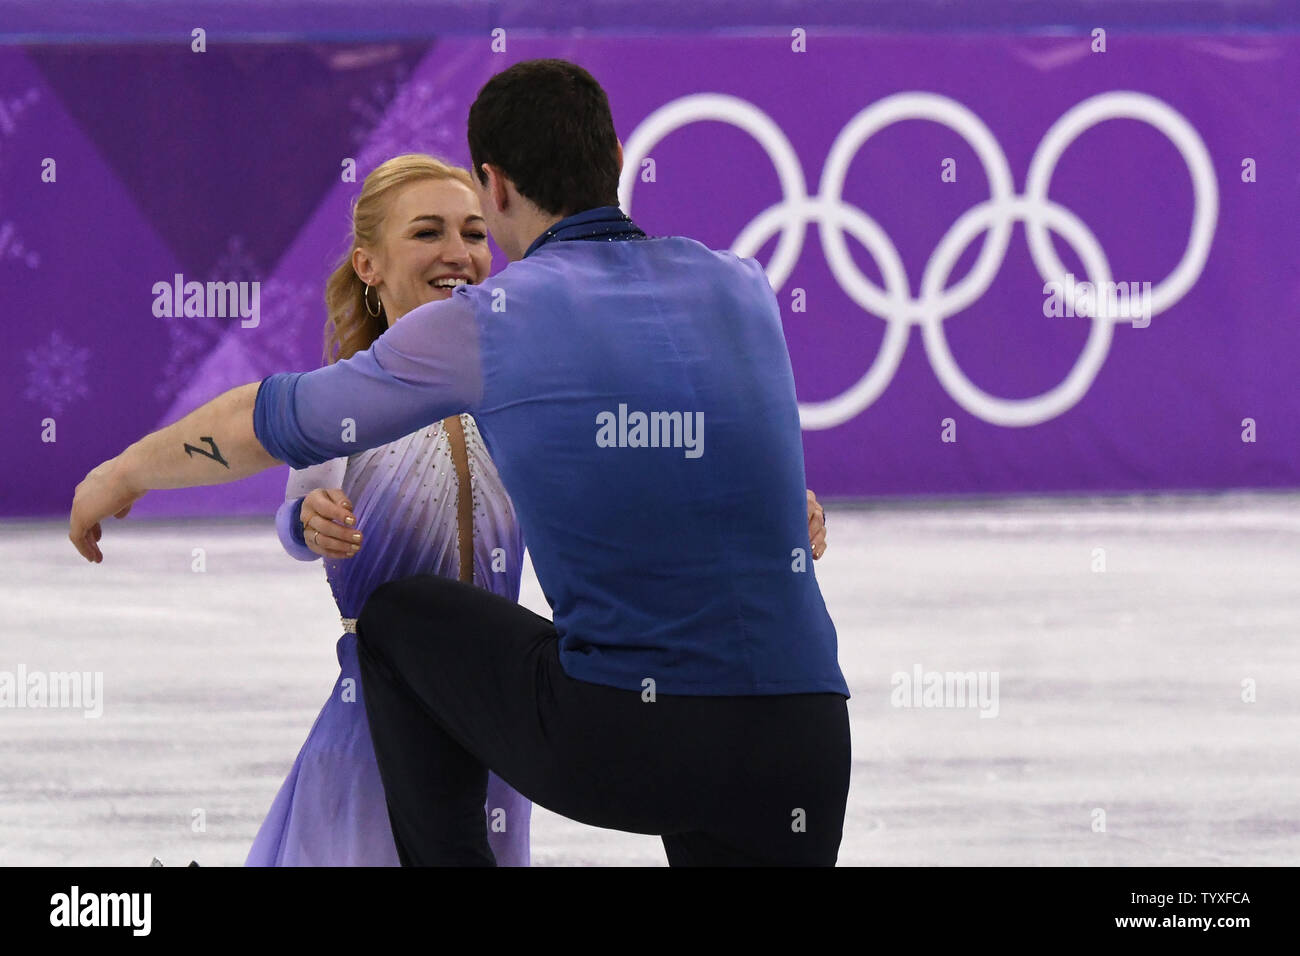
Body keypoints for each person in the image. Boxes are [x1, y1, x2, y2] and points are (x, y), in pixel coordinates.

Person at [69, 58, 848, 866]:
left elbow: (262, 422)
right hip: (807, 743)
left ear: (494, 186)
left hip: (630, 739)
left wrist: (119, 474)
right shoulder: (744, 286)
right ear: (617, 155)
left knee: (401, 617)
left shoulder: (492, 323)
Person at [245, 154, 531, 866]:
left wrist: (760, 512)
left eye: (473, 231)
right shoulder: (340, 397)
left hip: (498, 721)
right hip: (378, 717)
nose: (458, 254)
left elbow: (628, 492)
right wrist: (309, 519)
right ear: (368, 264)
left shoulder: (519, 395)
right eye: (428, 232)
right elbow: (294, 520)